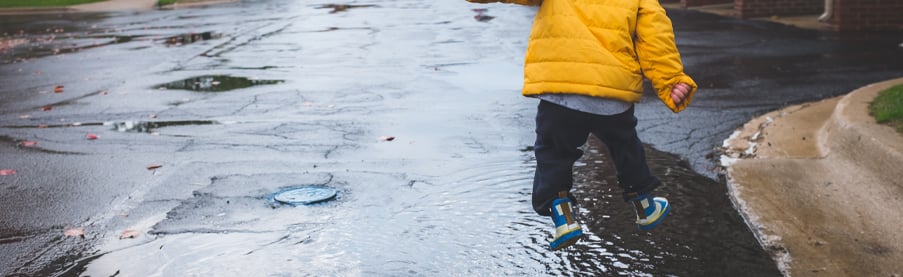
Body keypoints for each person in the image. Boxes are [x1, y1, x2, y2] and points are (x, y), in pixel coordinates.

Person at [466, 0, 697, 250]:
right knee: (625, 145)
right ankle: (644, 205)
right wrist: (671, 81)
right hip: (613, 89)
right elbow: (656, 39)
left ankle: (564, 219)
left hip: (563, 88)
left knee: (554, 153)